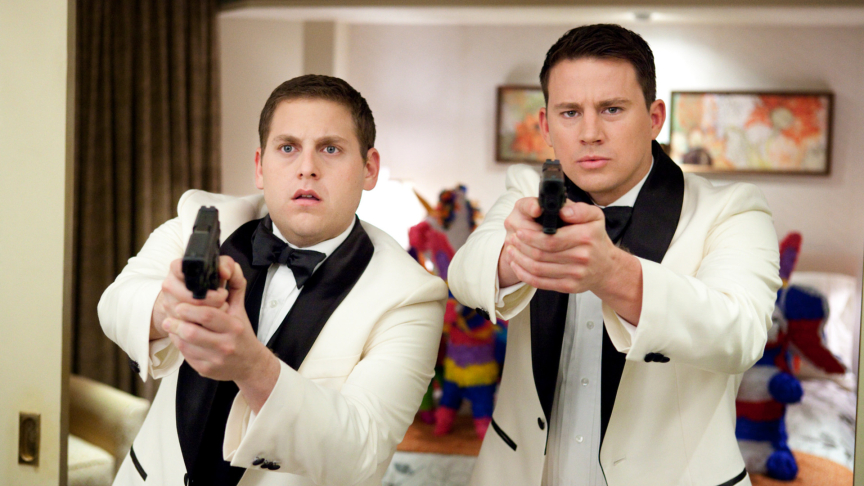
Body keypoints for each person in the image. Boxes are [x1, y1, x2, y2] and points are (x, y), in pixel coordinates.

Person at [448, 24, 781, 486]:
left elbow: (742, 335)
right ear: (546, 125)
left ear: (655, 117)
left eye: (612, 109)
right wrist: (517, 255)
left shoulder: (734, 208)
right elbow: (464, 273)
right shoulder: (527, 189)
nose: (590, 133)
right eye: (570, 112)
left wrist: (615, 274)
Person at [98, 75, 448, 486]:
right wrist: (170, 307)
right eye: (288, 148)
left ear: (369, 168)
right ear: (260, 167)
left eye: (330, 149)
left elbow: (362, 451)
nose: (307, 168)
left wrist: (252, 366)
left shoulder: (412, 295)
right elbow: (115, 303)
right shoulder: (200, 219)